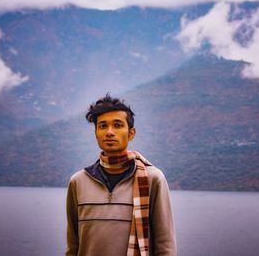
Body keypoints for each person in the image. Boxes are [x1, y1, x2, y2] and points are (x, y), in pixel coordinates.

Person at [65, 94, 177, 256]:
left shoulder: (153, 179)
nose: (109, 132)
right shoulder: (79, 181)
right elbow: (72, 245)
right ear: (96, 133)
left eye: (117, 125)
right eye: (103, 126)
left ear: (131, 133)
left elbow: (165, 245)